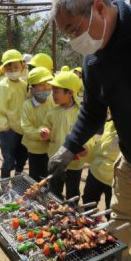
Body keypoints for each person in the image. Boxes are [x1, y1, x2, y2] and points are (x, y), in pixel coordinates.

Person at [49, 0, 131, 261]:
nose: (73, 41)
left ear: (98, 8)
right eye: (67, 35)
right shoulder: (92, 59)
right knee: (119, 219)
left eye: (73, 30)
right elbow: (93, 110)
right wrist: (69, 146)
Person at [41, 71, 91, 199]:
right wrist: (44, 132)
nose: (53, 95)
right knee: (54, 190)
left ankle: (71, 211)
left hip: (75, 163)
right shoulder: (52, 112)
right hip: (56, 159)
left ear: (69, 93)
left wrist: (86, 147)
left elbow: (89, 135)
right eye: (52, 91)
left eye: (56, 91)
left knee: (73, 192)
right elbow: (45, 126)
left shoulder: (81, 113)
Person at [0, 49, 28, 178]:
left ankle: (18, 177)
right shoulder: (2, 86)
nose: (12, 70)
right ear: (4, 69)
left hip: (22, 128)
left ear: (22, 67)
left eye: (16, 67)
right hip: (8, 131)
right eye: (9, 68)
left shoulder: (24, 84)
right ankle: (4, 183)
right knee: (8, 160)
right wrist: (5, 127)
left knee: (22, 157)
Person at [82, 119, 120, 219]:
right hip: (95, 171)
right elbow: (100, 148)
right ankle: (88, 226)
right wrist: (87, 151)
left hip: (116, 179)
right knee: (88, 203)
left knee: (113, 212)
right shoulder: (110, 122)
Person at [21, 67, 54, 182]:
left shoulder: (52, 101)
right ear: (32, 88)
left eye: (48, 84)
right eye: (41, 85)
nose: (46, 87)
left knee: (47, 175)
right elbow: (26, 127)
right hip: (34, 149)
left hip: (50, 147)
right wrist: (40, 133)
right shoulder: (27, 105)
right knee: (34, 176)